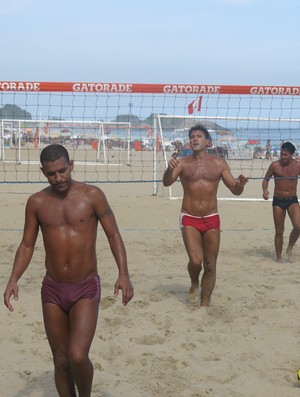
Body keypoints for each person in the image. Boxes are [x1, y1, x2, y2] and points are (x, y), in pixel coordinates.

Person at [3, 144, 134, 397]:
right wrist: (13, 279)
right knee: (61, 360)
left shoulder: (93, 195)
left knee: (77, 354)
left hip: (85, 286)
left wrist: (123, 273)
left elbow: (113, 234)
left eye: (62, 171)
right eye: (51, 174)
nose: (58, 178)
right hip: (52, 289)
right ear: (43, 172)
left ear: (71, 165)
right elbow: (27, 244)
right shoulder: (37, 202)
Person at [163, 124, 248, 307]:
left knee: (210, 264)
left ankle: (204, 304)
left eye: (199, 136)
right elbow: (167, 183)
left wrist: (240, 184)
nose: (194, 139)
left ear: (208, 142)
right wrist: (169, 169)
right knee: (196, 260)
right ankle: (194, 282)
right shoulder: (182, 163)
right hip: (189, 217)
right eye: (192, 136)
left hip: (211, 217)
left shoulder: (219, 163)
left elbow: (235, 190)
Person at [262, 141, 300, 263]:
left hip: (292, 199)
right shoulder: (275, 165)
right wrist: (265, 190)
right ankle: (279, 257)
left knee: (298, 226)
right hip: (278, 200)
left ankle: (289, 249)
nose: (282, 157)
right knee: (279, 231)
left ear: (292, 154)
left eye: (285, 155)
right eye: (281, 154)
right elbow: (266, 179)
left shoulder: (298, 165)